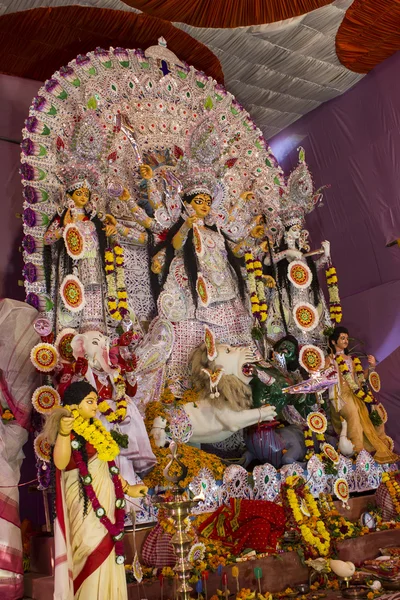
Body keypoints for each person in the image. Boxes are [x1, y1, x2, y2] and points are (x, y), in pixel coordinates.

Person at [48, 381, 147, 599]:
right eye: (90, 402)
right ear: (74, 405)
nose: (95, 406)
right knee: (89, 549)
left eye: (95, 401)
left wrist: (129, 488)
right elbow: (61, 463)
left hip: (107, 504)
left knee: (109, 553)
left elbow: (108, 469)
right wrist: (64, 434)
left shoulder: (97, 431)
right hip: (83, 506)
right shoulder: (69, 429)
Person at [43, 178, 117, 334]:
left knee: (94, 295)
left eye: (86, 194)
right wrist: (65, 228)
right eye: (79, 193)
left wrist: (110, 232)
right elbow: (47, 238)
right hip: (73, 264)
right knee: (73, 295)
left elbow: (107, 237)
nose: (83, 197)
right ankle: (70, 335)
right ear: (69, 196)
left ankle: (94, 332)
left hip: (93, 264)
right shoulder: (63, 216)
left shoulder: (93, 218)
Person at [327, 326, 398, 463]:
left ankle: (372, 450)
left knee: (372, 414)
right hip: (341, 396)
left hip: (356, 394)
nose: (346, 341)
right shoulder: (330, 359)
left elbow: (360, 378)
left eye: (347, 338)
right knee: (353, 414)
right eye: (342, 338)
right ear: (333, 342)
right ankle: (357, 453)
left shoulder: (351, 359)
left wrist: (371, 367)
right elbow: (321, 373)